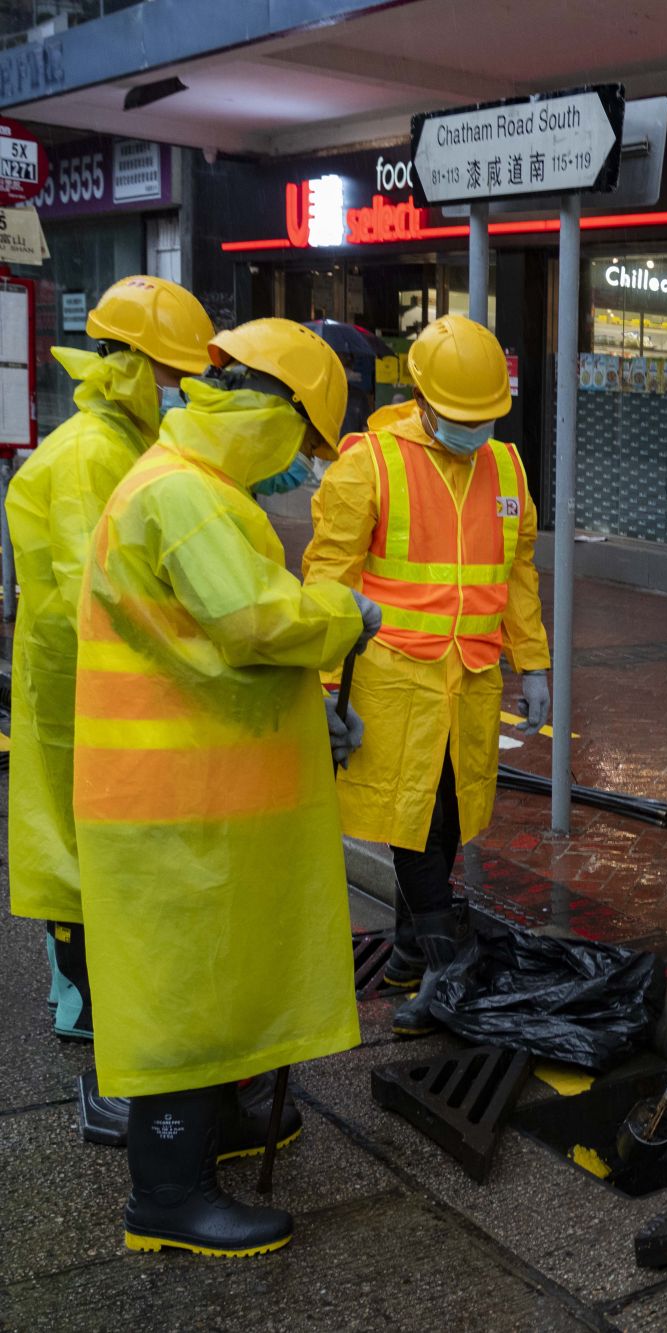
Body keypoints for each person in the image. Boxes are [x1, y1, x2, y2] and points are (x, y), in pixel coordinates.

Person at [74, 318, 377, 1257]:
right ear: (272, 414)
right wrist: (343, 615)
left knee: (215, 971)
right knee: (182, 992)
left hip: (195, 791)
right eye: (307, 443)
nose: (302, 466)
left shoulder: (192, 483)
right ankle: (168, 1194)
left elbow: (207, 650)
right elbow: (253, 620)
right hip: (170, 804)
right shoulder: (185, 494)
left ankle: (220, 1126)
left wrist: (306, 711)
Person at [303, 313, 550, 1036]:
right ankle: (444, 959)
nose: (474, 429)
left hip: (470, 679)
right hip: (394, 679)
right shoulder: (370, 464)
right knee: (412, 822)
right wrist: (324, 685)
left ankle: (413, 947)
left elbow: (518, 574)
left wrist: (533, 661)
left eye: (484, 416)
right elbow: (328, 581)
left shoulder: (506, 468)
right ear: (421, 398)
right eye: (461, 416)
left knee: (447, 812)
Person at [8, 276, 212, 1043]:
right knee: (77, 844)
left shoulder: (123, 439)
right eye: (174, 373)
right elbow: (98, 591)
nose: (185, 388)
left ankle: (91, 989)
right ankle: (83, 1001)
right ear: (130, 365)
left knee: (97, 837)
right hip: (81, 685)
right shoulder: (92, 451)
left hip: (99, 680)